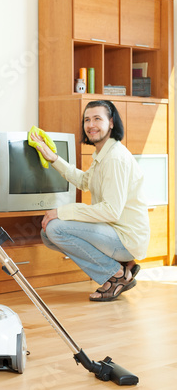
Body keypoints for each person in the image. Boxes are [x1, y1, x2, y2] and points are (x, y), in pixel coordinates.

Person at [30, 100, 150, 302]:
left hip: (126, 237)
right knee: (48, 233)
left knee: (56, 228)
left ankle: (116, 275)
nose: (91, 125)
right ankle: (120, 267)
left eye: (97, 119)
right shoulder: (103, 154)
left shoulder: (115, 159)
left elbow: (111, 211)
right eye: (87, 119)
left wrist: (62, 212)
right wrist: (53, 158)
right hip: (113, 231)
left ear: (111, 123)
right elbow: (84, 181)